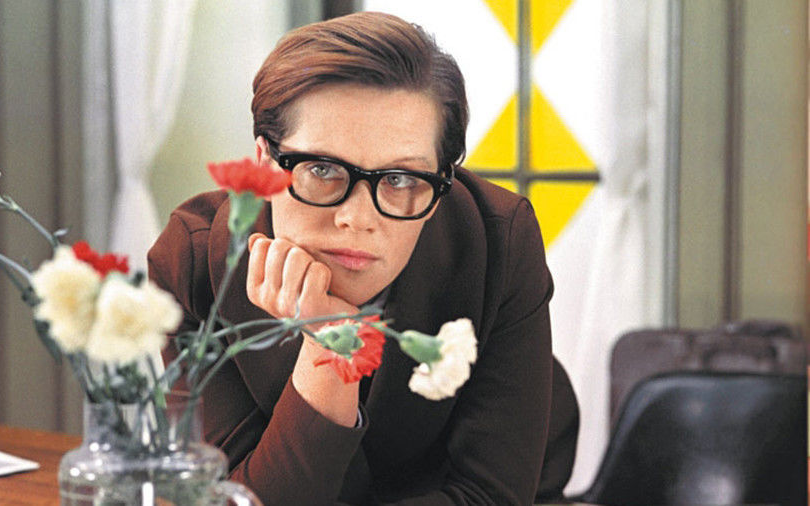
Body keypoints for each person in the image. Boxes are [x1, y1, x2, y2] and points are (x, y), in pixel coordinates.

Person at [148, 11, 578, 506]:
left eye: (399, 179)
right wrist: (331, 347)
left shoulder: (499, 236)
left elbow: (489, 497)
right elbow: (234, 498)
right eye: (321, 169)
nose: (356, 218)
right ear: (265, 162)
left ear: (441, 183)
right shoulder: (195, 259)